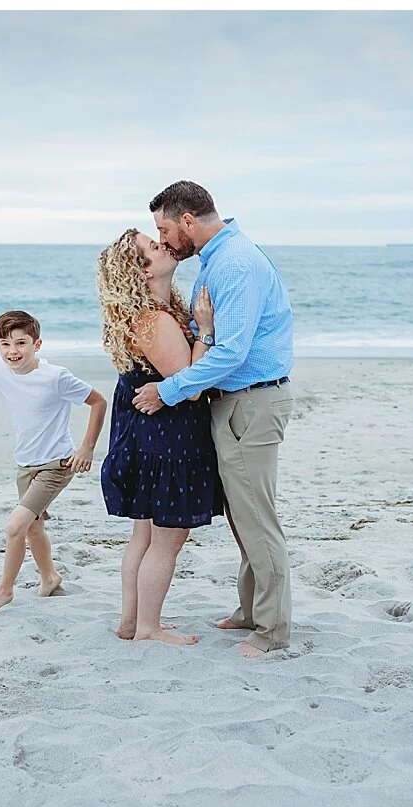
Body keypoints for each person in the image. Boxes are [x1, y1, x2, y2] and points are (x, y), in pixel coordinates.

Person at [131, 181, 295, 658]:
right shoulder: (218, 259)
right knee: (241, 515)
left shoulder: (234, 264)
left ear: (187, 221)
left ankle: (272, 630)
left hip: (252, 401)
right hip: (236, 401)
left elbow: (231, 351)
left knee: (258, 520)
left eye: (164, 229)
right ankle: (251, 611)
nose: (163, 241)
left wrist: (168, 390)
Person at [96, 229, 224, 646]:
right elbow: (190, 383)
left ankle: (132, 622)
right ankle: (149, 627)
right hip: (167, 439)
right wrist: (205, 331)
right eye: (153, 247)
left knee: (146, 533)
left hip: (151, 435)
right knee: (166, 538)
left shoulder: (158, 310)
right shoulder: (154, 318)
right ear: (142, 270)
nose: (163, 246)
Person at [0, 310, 107, 614]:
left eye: (21, 343)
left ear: (38, 344)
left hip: (56, 464)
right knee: (33, 527)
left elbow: (98, 401)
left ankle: (4, 590)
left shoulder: (56, 377)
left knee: (14, 526)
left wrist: (86, 449)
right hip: (25, 463)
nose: (13, 352)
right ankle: (50, 577)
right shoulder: (0, 367)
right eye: (5, 344)